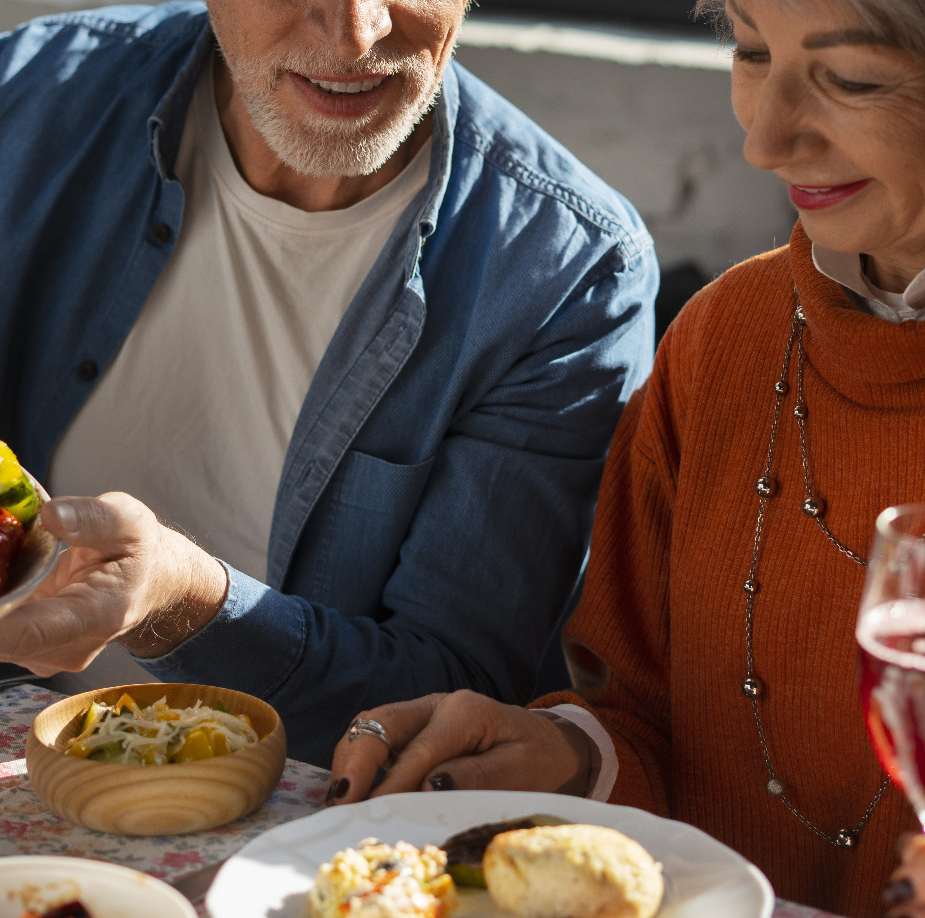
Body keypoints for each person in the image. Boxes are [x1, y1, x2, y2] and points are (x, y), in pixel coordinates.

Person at [0, 0, 657, 767]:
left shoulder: (569, 272)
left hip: (296, 837)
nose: (358, 34)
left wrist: (182, 602)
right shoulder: (28, 91)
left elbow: (453, 696)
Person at [323, 0, 925, 913]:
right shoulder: (725, 339)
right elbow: (641, 719)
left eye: (852, 80)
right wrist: (570, 757)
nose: (766, 140)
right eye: (753, 53)